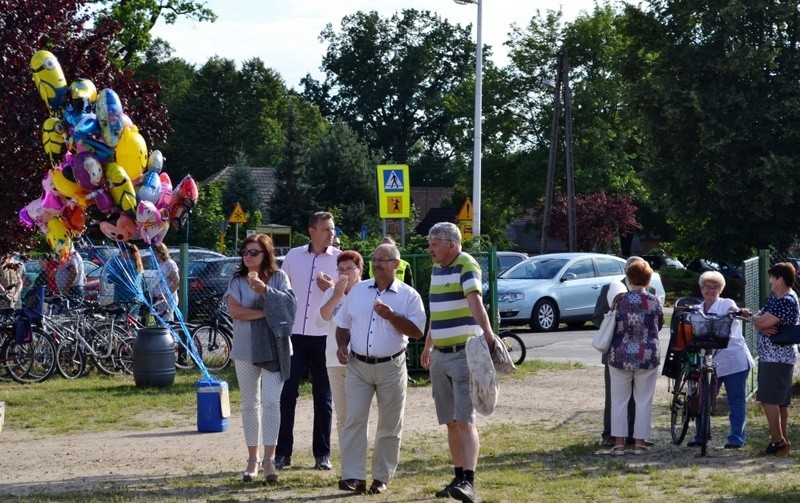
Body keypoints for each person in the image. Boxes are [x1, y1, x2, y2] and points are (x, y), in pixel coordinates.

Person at [333, 243, 426, 495]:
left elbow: (418, 331)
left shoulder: (409, 296)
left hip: (391, 367)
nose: (377, 264)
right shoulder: (359, 291)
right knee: (354, 419)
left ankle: (381, 477)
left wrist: (392, 316)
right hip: (358, 366)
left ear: (396, 264)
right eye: (374, 260)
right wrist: (342, 345)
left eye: (383, 260)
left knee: (389, 423)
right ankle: (353, 476)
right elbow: (343, 324)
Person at [421, 222, 496, 503]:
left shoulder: (467, 264)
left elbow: (475, 302)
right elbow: (436, 312)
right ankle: (457, 477)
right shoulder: (437, 268)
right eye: (430, 243)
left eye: (434, 243)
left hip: (462, 353)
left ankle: (469, 481)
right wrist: (428, 347)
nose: (430, 248)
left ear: (451, 244)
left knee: (465, 420)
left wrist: (488, 335)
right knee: (451, 421)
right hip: (440, 354)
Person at [226, 233, 294, 484]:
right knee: (249, 404)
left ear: (266, 254)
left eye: (254, 252)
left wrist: (265, 291)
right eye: (245, 252)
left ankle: (270, 459)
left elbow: (288, 307)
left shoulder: (279, 277)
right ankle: (252, 459)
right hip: (244, 349)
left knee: (271, 402)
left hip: (275, 348)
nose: (248, 257)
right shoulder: (237, 280)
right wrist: (266, 312)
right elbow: (235, 312)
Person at [276, 211, 341, 470]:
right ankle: (283, 453)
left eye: (332, 229)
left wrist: (333, 289)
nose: (331, 233)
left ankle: (322, 454)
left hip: (325, 336)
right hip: (295, 335)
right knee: (287, 394)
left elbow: (352, 293)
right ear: (311, 231)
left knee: (323, 397)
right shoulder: (293, 256)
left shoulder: (339, 260)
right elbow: (281, 290)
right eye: (326, 229)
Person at [592, 256, 657, 447]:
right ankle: (611, 435)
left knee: (634, 399)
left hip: (621, 353)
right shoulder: (610, 289)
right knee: (616, 398)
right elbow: (598, 317)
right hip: (619, 351)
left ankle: (633, 436)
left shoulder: (649, 292)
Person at [686, 271, 754, 449]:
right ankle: (701, 435)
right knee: (703, 398)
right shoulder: (697, 309)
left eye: (715, 287)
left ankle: (736, 438)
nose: (711, 290)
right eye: (707, 286)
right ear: (701, 288)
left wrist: (740, 312)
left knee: (736, 400)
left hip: (733, 360)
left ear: (721, 289)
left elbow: (735, 311)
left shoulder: (727, 304)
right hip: (709, 361)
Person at [607, 260, 664, 456]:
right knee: (643, 400)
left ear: (628, 279)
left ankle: (619, 445)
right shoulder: (654, 301)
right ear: (648, 280)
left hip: (620, 354)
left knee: (619, 400)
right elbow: (660, 323)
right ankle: (640, 444)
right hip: (647, 355)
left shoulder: (619, 299)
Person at [313, 250, 364, 449]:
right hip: (334, 360)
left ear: (359, 270)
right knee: (342, 414)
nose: (345, 273)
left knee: (357, 413)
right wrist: (335, 295)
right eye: (340, 269)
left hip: (360, 360)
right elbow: (319, 321)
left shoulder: (366, 290)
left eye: (350, 269)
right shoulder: (331, 292)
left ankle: (358, 457)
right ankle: (347, 462)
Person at [751, 262, 798, 455]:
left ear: (780, 279)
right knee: (779, 401)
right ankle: (781, 441)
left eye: (772, 277)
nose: (770, 281)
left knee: (769, 398)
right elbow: (759, 321)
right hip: (774, 356)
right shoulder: (775, 298)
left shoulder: (785, 300)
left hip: (778, 356)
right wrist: (759, 322)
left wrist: (759, 322)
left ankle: (778, 441)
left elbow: (761, 321)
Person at [106, 243, 144, 310]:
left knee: (120, 318)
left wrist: (108, 275)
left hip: (124, 297)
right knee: (132, 318)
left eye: (121, 252)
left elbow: (111, 278)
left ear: (126, 252)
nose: (120, 255)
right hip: (137, 295)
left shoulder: (124, 265)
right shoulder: (137, 264)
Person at [151, 243, 180, 321]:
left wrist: (166, 295)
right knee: (160, 324)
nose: (155, 256)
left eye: (156, 253)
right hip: (159, 300)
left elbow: (176, 282)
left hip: (167, 300)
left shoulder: (170, 264)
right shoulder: (161, 264)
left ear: (161, 252)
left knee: (167, 324)